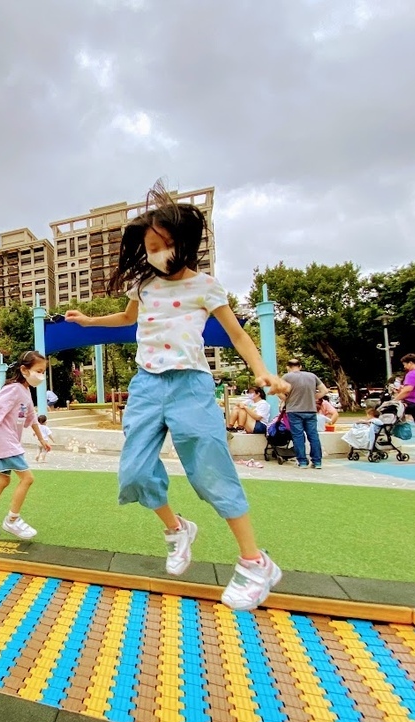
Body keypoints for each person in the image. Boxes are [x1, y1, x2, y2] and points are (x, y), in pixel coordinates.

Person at [65, 182, 289, 611]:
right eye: (150, 246)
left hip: (189, 385)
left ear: (182, 245)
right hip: (147, 386)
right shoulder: (145, 285)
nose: (155, 253)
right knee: (133, 473)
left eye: (163, 245)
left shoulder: (206, 286)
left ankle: (254, 561)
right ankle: (176, 528)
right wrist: (90, 320)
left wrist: (263, 373)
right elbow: (128, 319)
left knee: (210, 472)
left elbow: (239, 334)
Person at [0, 350, 52, 540]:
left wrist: (42, 439)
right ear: (24, 369)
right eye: (38, 371)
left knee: (4, 480)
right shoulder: (13, 389)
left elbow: (32, 418)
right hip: (5, 442)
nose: (41, 375)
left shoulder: (26, 391)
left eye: (43, 372)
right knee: (27, 478)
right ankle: (12, 520)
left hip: (5, 442)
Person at [282, 359, 329, 469]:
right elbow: (324, 390)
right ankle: (317, 461)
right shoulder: (312, 376)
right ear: (300, 366)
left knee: (298, 436)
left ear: (288, 367)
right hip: (310, 410)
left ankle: (302, 461)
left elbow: (278, 391)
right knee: (313, 436)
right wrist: (314, 398)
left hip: (294, 410)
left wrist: (287, 399)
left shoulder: (286, 377)